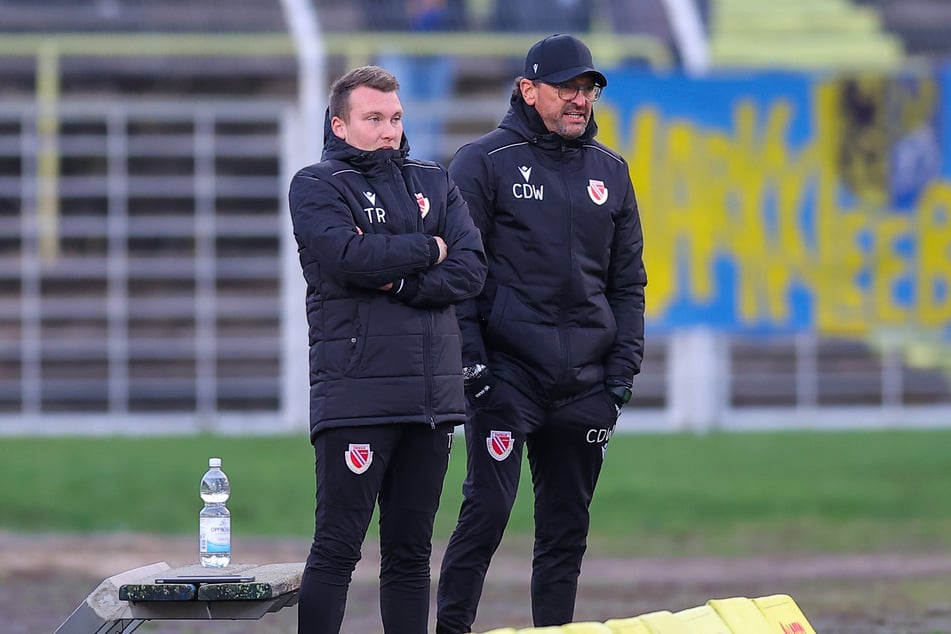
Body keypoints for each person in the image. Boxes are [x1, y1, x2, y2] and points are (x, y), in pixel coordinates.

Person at [436, 34, 647, 633]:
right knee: (486, 516)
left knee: (565, 533)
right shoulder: (483, 161)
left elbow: (628, 284)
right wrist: (475, 366)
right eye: (567, 88)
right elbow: (461, 274)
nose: (581, 100)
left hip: (585, 387)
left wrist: (618, 380)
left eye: (589, 89)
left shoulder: (612, 172)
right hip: (508, 379)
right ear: (528, 90)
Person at [288, 65, 486, 634]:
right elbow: (346, 257)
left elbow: (471, 270)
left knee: (410, 555)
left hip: (430, 397)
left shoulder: (434, 181)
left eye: (395, 118)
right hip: (356, 394)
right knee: (337, 549)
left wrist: (398, 276)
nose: (387, 130)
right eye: (373, 118)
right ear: (341, 125)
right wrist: (431, 248)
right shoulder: (316, 185)